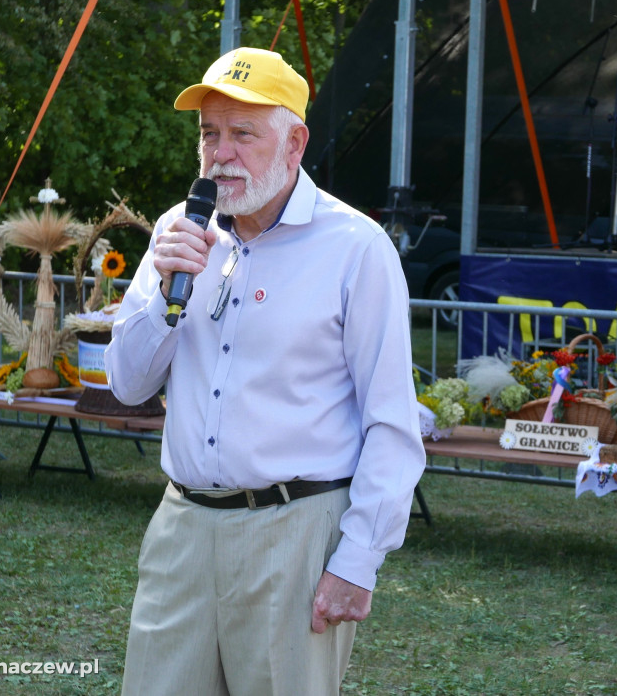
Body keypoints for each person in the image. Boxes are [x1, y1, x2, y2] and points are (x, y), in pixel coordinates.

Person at [106, 46, 425, 696]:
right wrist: (164, 294)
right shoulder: (179, 231)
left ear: (294, 142)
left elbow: (392, 423)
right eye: (209, 134)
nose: (221, 152)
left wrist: (357, 561)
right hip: (182, 528)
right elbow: (128, 384)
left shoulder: (356, 249)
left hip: (295, 531)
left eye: (243, 134)